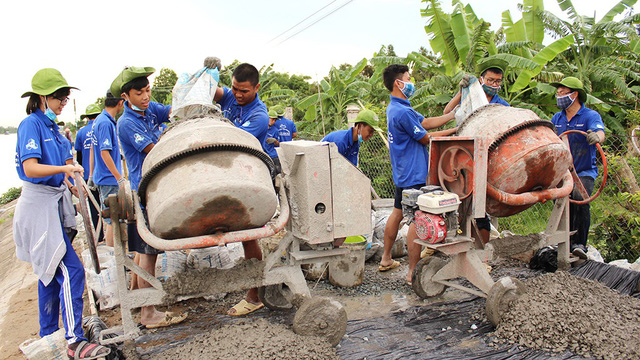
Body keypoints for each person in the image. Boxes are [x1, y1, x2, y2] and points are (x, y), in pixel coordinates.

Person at [14, 68, 110, 359]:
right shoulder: (30, 125)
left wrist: (73, 184)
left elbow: (66, 167)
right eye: (58, 97)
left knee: (49, 272)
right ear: (42, 97)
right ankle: (73, 340)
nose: (62, 102)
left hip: (56, 204)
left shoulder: (55, 130)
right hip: (38, 207)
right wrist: (65, 169)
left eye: (65, 98)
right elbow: (31, 168)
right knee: (71, 270)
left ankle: (49, 336)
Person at [113, 66, 186, 328]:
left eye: (147, 90)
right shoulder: (127, 122)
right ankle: (148, 312)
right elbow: (154, 151)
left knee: (142, 251)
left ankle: (138, 300)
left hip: (156, 186)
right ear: (125, 96)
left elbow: (174, 111)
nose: (145, 96)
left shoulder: (148, 109)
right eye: (138, 93)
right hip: (146, 191)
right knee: (149, 253)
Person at [379, 64, 457, 285]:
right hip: (414, 175)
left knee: (396, 212)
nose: (412, 81)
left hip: (402, 172)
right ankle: (413, 272)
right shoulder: (402, 112)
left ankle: (386, 259)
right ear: (398, 83)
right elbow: (426, 138)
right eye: (408, 77)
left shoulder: (398, 107)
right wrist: (454, 131)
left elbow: (424, 123)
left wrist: (452, 116)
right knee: (417, 219)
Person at [213, 63, 269, 316]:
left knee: (249, 237)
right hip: (227, 176)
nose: (237, 95)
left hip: (249, 181)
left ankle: (254, 295)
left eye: (244, 91)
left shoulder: (259, 116)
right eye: (234, 88)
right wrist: (206, 75)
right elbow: (210, 91)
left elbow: (231, 143)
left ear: (256, 88)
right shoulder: (228, 96)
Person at [444, 58, 511, 244]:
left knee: (481, 209)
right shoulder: (470, 97)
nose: (494, 85)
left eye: (497, 82)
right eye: (490, 80)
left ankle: (482, 250)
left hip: (487, 161)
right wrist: (460, 92)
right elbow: (447, 111)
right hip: (463, 158)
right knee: (458, 203)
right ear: (481, 79)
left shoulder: (502, 106)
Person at [550, 77, 605, 259]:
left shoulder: (590, 115)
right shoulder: (557, 118)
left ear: (575, 95)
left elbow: (600, 132)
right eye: (557, 94)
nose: (559, 97)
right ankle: (564, 242)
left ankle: (580, 243)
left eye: (562, 93)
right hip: (563, 172)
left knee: (580, 199)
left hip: (583, 171)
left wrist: (596, 136)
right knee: (562, 204)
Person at [91, 91, 125, 247]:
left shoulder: (101, 119)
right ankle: (115, 256)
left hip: (104, 176)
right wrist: (119, 177)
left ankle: (116, 253)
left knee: (112, 219)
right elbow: (104, 153)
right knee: (113, 220)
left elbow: (95, 148)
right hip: (108, 178)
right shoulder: (105, 123)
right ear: (119, 103)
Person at [75, 104, 104, 243]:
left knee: (94, 205)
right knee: (108, 204)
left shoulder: (80, 133)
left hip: (88, 175)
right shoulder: (101, 127)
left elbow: (79, 156)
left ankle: (99, 236)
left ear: (87, 117)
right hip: (103, 173)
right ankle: (112, 232)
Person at [265, 109, 282, 173]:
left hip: (272, 154)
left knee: (277, 171)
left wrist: (274, 141)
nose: (273, 121)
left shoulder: (275, 130)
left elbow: (278, 144)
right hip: (263, 153)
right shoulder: (261, 127)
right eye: (272, 119)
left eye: (275, 120)